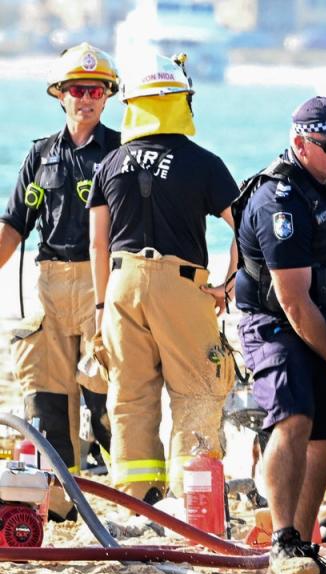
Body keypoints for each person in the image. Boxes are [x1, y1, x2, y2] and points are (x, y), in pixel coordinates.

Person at [88, 53, 238, 503]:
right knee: (196, 389)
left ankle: (135, 495)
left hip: (120, 284)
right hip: (180, 282)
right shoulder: (204, 163)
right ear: (182, 101)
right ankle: (193, 499)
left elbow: (97, 244)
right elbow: (246, 230)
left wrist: (100, 309)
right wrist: (228, 285)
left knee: (130, 394)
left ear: (131, 105)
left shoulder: (110, 163)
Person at [232, 96, 326, 574]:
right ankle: (283, 540)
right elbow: (291, 299)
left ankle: (307, 548)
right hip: (271, 319)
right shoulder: (279, 200)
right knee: (294, 417)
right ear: (299, 143)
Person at [0, 43, 119, 519]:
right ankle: (62, 508)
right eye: (76, 89)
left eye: (94, 89)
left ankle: (131, 500)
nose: (85, 98)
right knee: (48, 401)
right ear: (60, 95)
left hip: (102, 284)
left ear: (107, 96)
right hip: (48, 283)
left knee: (108, 393)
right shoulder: (39, 155)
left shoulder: (121, 151)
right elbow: (13, 226)